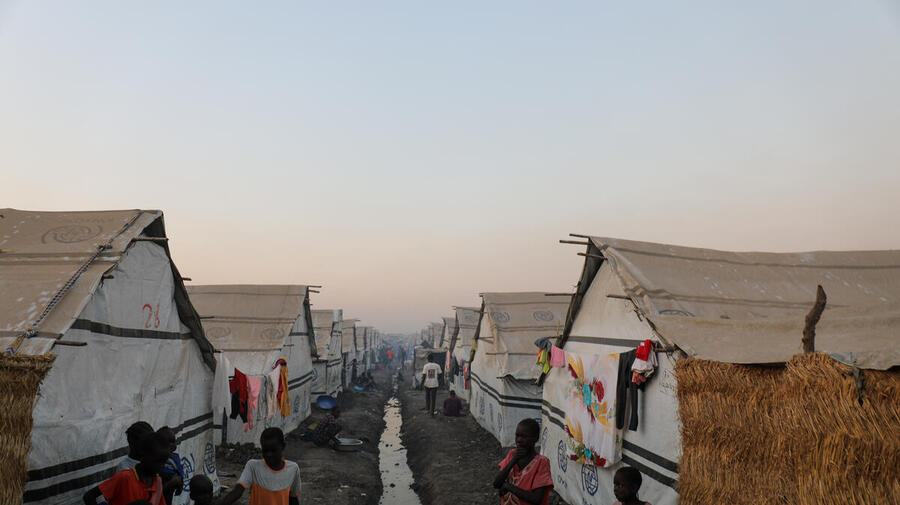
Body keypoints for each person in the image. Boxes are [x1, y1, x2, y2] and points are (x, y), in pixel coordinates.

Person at [217, 427, 301, 505]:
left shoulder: (293, 469)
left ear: (283, 446)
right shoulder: (253, 466)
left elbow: (293, 498)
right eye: (265, 450)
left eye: (273, 450)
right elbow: (237, 492)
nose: (269, 454)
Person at [83, 431, 169, 505]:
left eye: (164, 462)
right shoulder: (125, 477)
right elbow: (89, 496)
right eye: (158, 461)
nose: (162, 465)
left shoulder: (157, 482)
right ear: (143, 455)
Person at [493, 419, 553, 505]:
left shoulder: (541, 462)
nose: (519, 440)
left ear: (535, 438)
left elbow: (536, 499)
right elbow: (496, 484)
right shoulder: (512, 454)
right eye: (517, 436)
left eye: (524, 437)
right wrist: (513, 461)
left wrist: (508, 486)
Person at [157, 426, 184, 505]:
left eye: (174, 441)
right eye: (170, 442)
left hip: (169, 485)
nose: (173, 445)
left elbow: (180, 474)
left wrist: (180, 486)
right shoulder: (155, 458)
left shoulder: (175, 458)